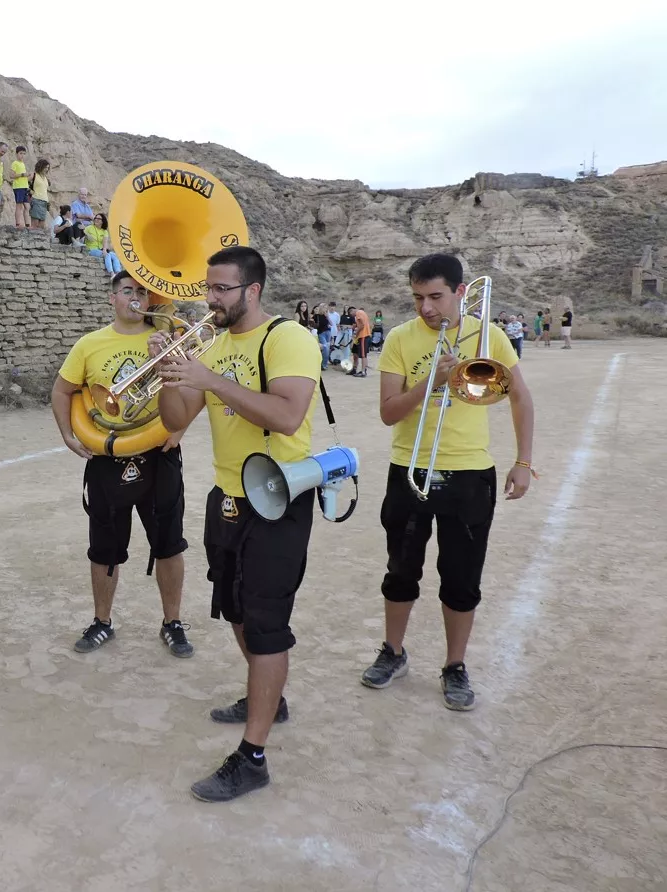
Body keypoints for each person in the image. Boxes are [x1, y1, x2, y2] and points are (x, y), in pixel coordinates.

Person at [153, 245, 322, 803]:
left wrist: (211, 378)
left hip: (277, 497)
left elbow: (287, 415)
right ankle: (269, 698)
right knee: (235, 608)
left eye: (221, 289)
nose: (210, 299)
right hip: (227, 496)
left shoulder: (287, 338)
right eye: (208, 287)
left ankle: (252, 759)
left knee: (266, 621)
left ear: (252, 290)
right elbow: (177, 420)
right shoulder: (215, 345)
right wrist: (169, 377)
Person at [361, 253, 535, 711]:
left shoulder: (488, 335)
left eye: (435, 296)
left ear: (460, 292)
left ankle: (454, 665)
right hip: (409, 469)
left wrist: (523, 461)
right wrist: (431, 383)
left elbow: (520, 398)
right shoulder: (400, 338)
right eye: (417, 297)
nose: (426, 307)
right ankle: (393, 651)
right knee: (400, 571)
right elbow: (388, 413)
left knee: (461, 577)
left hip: (471, 473)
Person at [51, 272, 193, 659]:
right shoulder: (89, 344)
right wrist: (68, 435)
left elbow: (192, 389)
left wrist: (180, 429)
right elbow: (62, 390)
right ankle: (102, 621)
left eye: (142, 292)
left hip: (159, 455)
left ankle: (172, 622)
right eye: (127, 290)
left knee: (169, 544)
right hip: (108, 457)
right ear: (112, 298)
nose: (135, 297)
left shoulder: (167, 337)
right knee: (104, 548)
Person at [10, 145, 32, 229]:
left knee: (27, 206)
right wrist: (23, 175)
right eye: (20, 153)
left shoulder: (22, 164)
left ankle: (27, 224)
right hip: (18, 187)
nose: (22, 155)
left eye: (24, 153)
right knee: (19, 205)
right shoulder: (15, 163)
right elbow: (11, 175)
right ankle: (18, 223)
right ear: (16, 154)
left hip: (24, 187)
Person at [351, 305, 371, 377]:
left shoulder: (358, 313)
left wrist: (357, 332)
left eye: (351, 314)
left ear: (352, 311)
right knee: (359, 353)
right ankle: (360, 369)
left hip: (363, 335)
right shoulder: (362, 313)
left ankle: (363, 372)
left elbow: (362, 324)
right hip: (364, 335)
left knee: (363, 354)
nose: (353, 316)